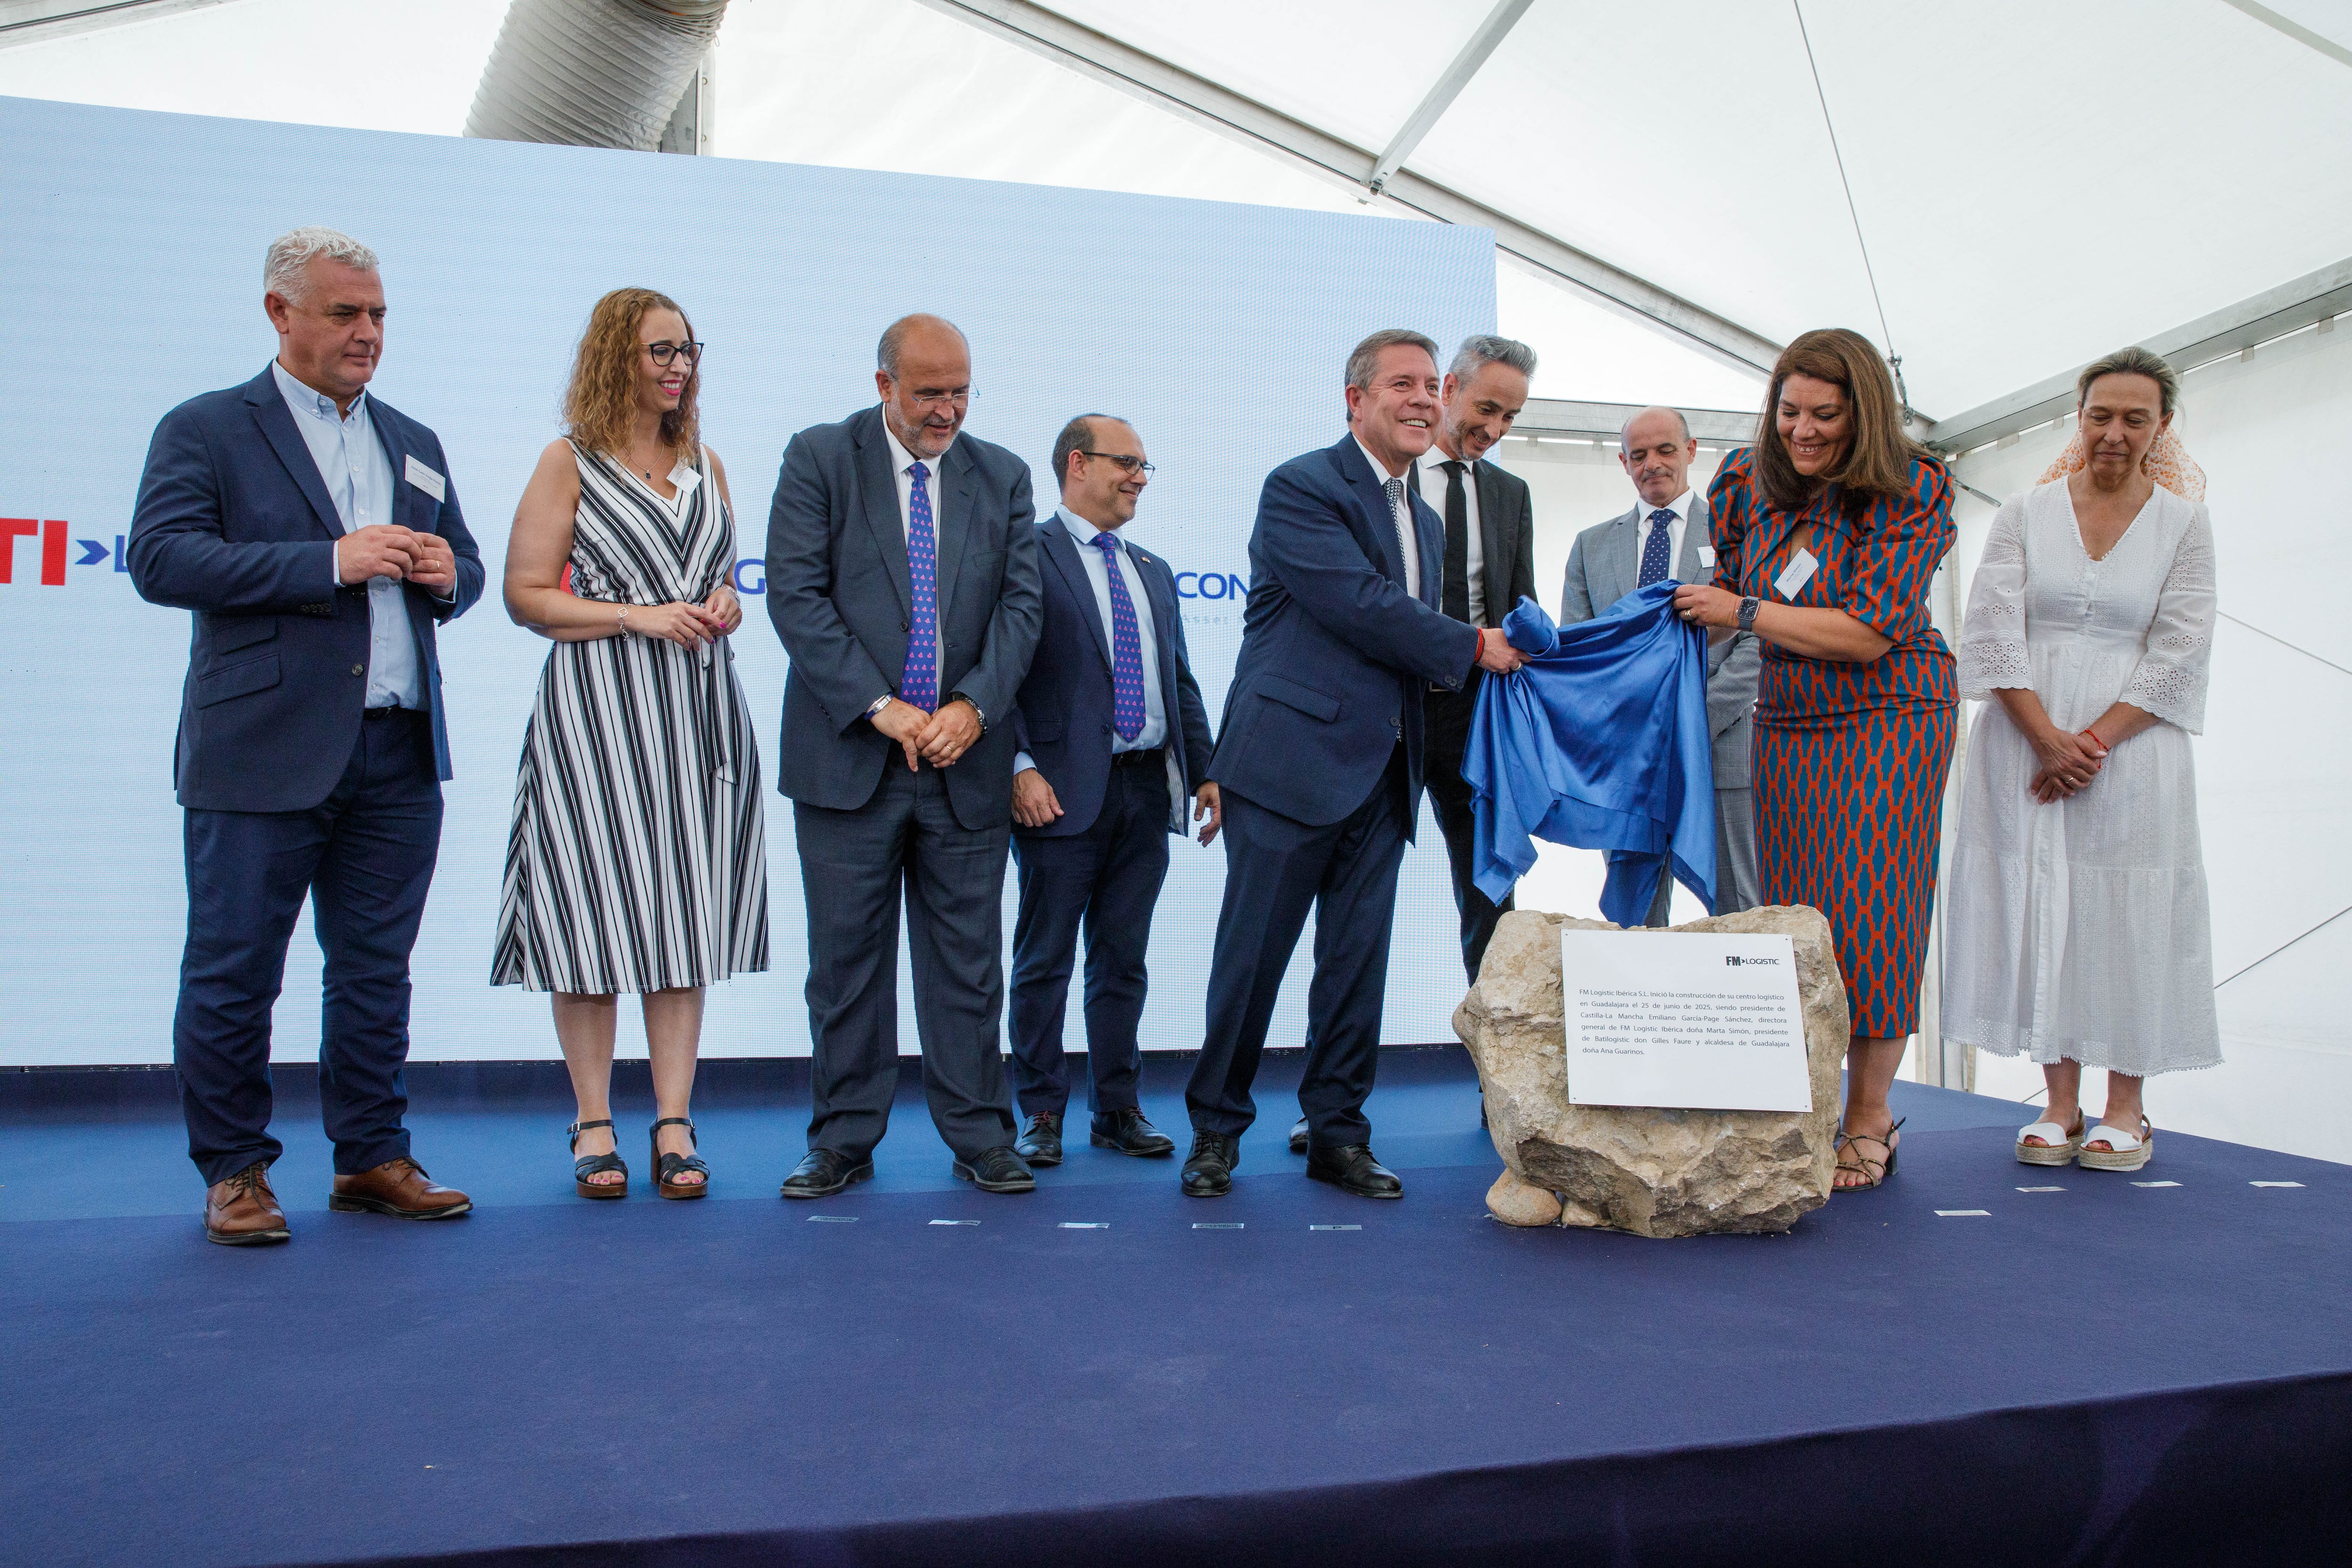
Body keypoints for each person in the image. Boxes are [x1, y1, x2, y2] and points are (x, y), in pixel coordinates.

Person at [127, 226, 483, 1244]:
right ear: (280, 314)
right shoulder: (206, 428)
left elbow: (464, 562)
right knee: (237, 966)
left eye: (376, 314)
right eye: (344, 313)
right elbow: (161, 559)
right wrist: (328, 559)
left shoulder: (412, 437)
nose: (367, 332)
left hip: (400, 747)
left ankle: (372, 1153)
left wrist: (446, 575)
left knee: (376, 967)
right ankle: (235, 1171)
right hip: (262, 747)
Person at [1184, 329, 1527, 1200]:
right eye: (1401, 385)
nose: (1422, 400)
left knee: (1356, 965)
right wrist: (1472, 643)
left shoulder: (1431, 518)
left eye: (1430, 387)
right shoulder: (1302, 485)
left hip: (1384, 772)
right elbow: (1357, 605)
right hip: (1287, 769)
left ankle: (1338, 1131)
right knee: (1251, 960)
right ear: (1356, 400)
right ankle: (1216, 1132)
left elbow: (1399, 643)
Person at [493, 288, 767, 1201]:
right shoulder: (567, 461)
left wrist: (724, 602)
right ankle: (594, 1120)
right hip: (598, 710)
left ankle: (676, 1120)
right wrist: (634, 615)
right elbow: (527, 593)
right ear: (619, 356)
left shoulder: (707, 460)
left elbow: (717, 579)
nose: (679, 365)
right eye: (661, 350)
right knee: (591, 917)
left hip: (695, 711)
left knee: (681, 919)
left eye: (688, 349)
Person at [1670, 327, 1957, 1193]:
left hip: (1889, 716)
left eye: (1825, 415)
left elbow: (1868, 632)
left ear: (1862, 411)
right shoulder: (1737, 482)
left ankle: (1870, 1116)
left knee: (1875, 915)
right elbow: (1721, 604)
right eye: (1790, 411)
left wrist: (1743, 610)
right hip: (1788, 719)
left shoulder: (1915, 485)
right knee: (1800, 923)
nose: (1803, 430)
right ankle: (1808, 1105)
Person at [764, 314, 1044, 1197]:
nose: (948, 409)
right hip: (850, 757)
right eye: (930, 392)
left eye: (961, 390)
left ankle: (981, 1135)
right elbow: (796, 595)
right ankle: (843, 1137)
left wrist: (973, 705)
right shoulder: (819, 458)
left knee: (969, 966)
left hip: (966, 761)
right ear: (883, 383)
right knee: (846, 966)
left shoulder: (1001, 475)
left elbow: (1021, 610)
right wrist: (882, 708)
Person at [1945, 346, 2219, 1173]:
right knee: (2039, 894)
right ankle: (2059, 1103)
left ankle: (2126, 1106)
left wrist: (2091, 741)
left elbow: (2181, 647)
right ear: (2081, 417)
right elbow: (1990, 629)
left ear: (2161, 426)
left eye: (2135, 417)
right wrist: (2045, 737)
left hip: (2132, 752)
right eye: (2101, 414)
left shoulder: (2184, 521)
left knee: (2123, 905)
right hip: (2024, 738)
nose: (2114, 432)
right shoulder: (2026, 512)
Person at [1003, 415, 1219, 1167]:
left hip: (1144, 793)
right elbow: (992, 673)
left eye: (1145, 466)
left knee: (1123, 961)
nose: (1139, 477)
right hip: (1056, 796)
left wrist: (1207, 771)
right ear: (1076, 463)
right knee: (1044, 961)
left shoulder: (1153, 570)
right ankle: (1038, 1111)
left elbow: (1178, 682)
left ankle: (1117, 1108)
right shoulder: (1021, 554)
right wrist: (1017, 766)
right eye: (1127, 462)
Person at [1561, 406, 1761, 922]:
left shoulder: (1737, 534)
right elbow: (1577, 651)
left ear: (1691, 451)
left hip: (1719, 751)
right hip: (1629, 764)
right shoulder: (1591, 545)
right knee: (1635, 923)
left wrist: (1693, 721)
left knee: (1741, 914)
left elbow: (1758, 639)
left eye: (1665, 450)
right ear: (1624, 464)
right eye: (1639, 455)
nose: (1652, 464)